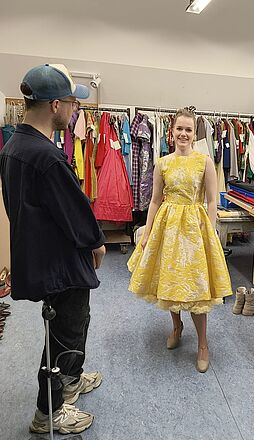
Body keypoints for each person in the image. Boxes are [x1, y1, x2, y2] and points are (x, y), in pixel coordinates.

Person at [0, 64, 106, 435]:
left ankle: (72, 380)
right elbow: (75, 213)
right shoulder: (46, 156)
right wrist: (96, 244)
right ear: (56, 105)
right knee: (65, 333)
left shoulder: (15, 145)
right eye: (73, 103)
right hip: (60, 265)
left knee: (71, 326)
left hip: (41, 257)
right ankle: (49, 411)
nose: (77, 110)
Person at [128, 107, 232, 373]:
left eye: (188, 129)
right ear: (171, 131)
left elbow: (211, 200)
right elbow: (153, 201)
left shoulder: (204, 161)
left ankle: (202, 344)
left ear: (193, 132)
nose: (183, 133)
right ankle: (176, 326)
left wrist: (209, 233)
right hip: (168, 227)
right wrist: (147, 231)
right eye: (179, 128)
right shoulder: (162, 162)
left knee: (196, 288)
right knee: (169, 280)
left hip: (194, 228)